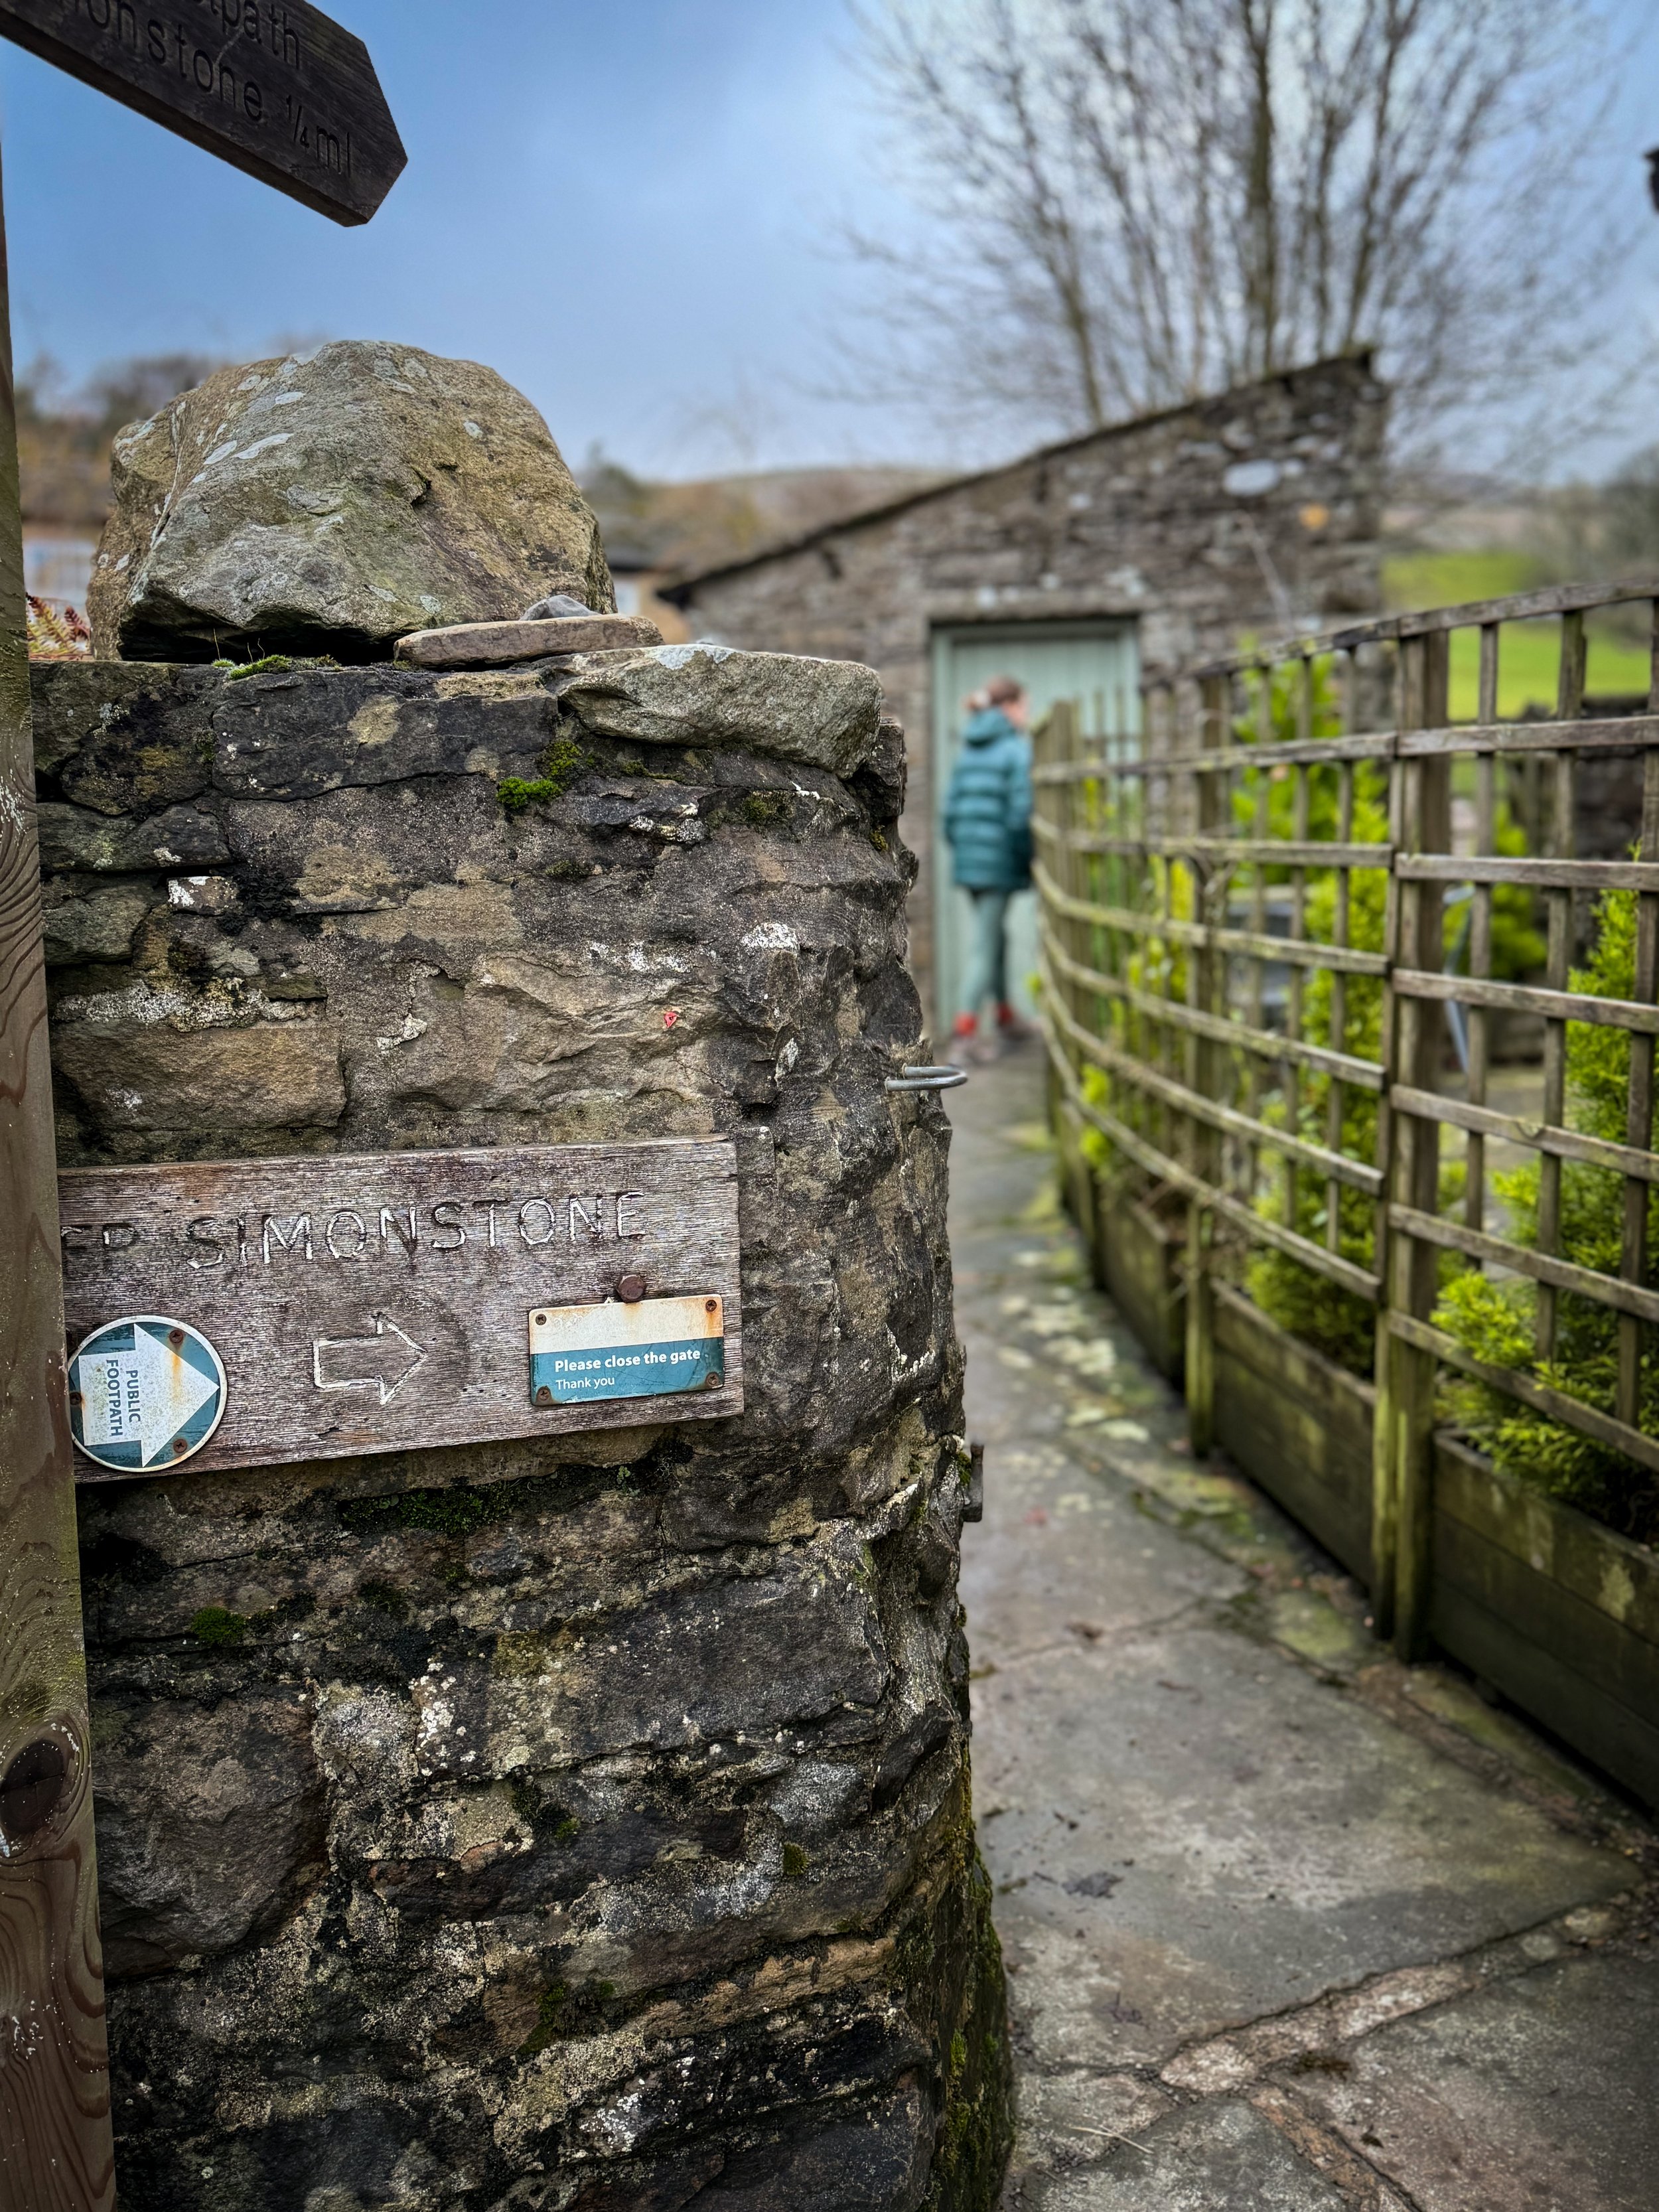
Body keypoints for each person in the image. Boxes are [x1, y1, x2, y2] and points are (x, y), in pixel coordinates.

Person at [942, 673, 1034, 1051]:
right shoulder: (1015, 750)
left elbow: (948, 815)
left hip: (970, 859)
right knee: (985, 944)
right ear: (1009, 707)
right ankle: (964, 1029)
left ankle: (1006, 1015)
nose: (1027, 714)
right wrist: (1025, 859)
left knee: (997, 937)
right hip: (997, 861)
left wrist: (965, 848)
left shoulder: (968, 750)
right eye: (1024, 706)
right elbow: (1020, 815)